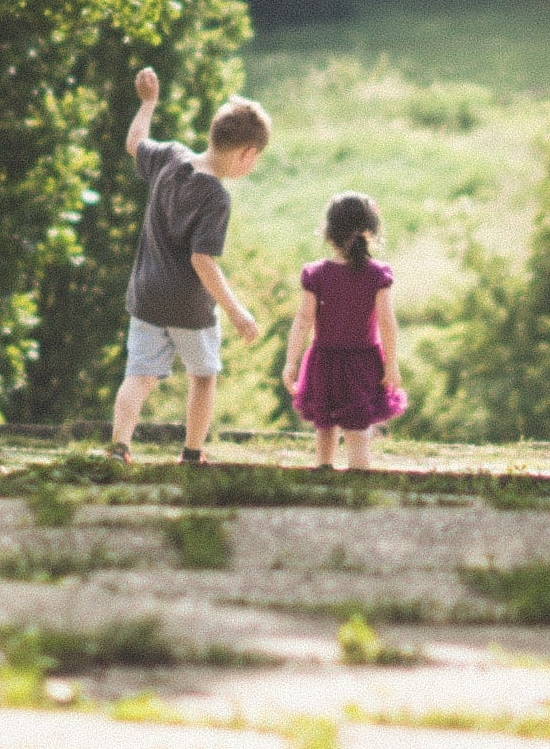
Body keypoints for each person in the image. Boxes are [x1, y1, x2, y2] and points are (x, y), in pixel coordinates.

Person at [108, 64, 268, 461]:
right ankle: (192, 455)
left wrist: (149, 103)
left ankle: (119, 448)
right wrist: (236, 311)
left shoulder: (170, 157)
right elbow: (202, 260)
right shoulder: (216, 196)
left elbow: (134, 142)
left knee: (139, 375)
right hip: (190, 307)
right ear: (248, 154)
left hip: (145, 296)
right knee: (203, 377)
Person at [282, 193, 410, 471]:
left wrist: (291, 362)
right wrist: (391, 364)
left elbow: (303, 320)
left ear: (329, 234)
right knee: (358, 425)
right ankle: (358, 474)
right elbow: (387, 322)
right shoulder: (377, 274)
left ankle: (324, 470)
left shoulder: (316, 274)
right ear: (370, 233)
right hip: (363, 362)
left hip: (324, 360)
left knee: (324, 423)